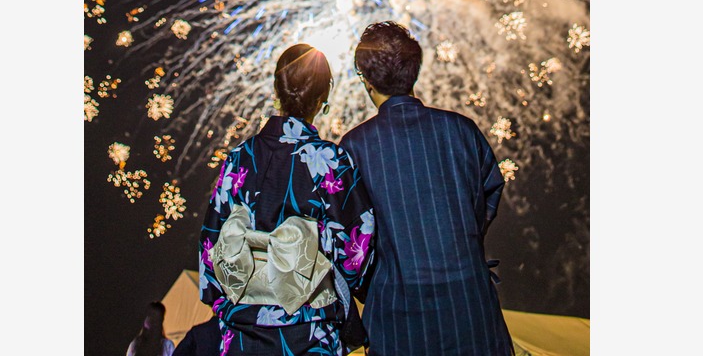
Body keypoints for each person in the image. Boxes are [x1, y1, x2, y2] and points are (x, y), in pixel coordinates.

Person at [339, 21, 514, 356]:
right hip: (471, 307)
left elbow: (351, 235)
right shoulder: (462, 131)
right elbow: (491, 188)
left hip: (397, 315)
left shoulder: (355, 146)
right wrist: (460, 243)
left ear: (367, 79)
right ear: (414, 72)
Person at [199, 43, 376, 356]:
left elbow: (210, 248)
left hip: (241, 332)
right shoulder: (329, 160)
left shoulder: (239, 159)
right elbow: (355, 253)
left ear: (275, 90)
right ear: (323, 98)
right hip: (308, 329)